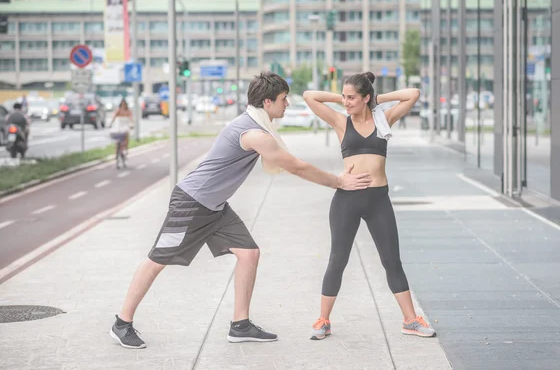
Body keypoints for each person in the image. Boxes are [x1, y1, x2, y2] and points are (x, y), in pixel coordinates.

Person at [110, 72, 373, 349]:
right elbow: (296, 166)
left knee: (249, 253)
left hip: (215, 207)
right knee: (157, 259)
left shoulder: (256, 124)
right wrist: (339, 182)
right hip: (191, 203)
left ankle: (240, 325)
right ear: (268, 101)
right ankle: (122, 323)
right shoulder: (253, 133)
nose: (287, 104)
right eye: (283, 99)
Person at [303, 72, 437, 340]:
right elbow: (309, 96)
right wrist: (341, 99)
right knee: (337, 260)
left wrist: (376, 100)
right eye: (345, 97)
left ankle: (410, 321)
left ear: (366, 98)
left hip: (378, 200)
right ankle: (323, 320)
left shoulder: (383, 119)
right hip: (347, 199)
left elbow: (413, 94)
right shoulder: (341, 122)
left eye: (352, 97)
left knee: (392, 261)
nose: (347, 102)